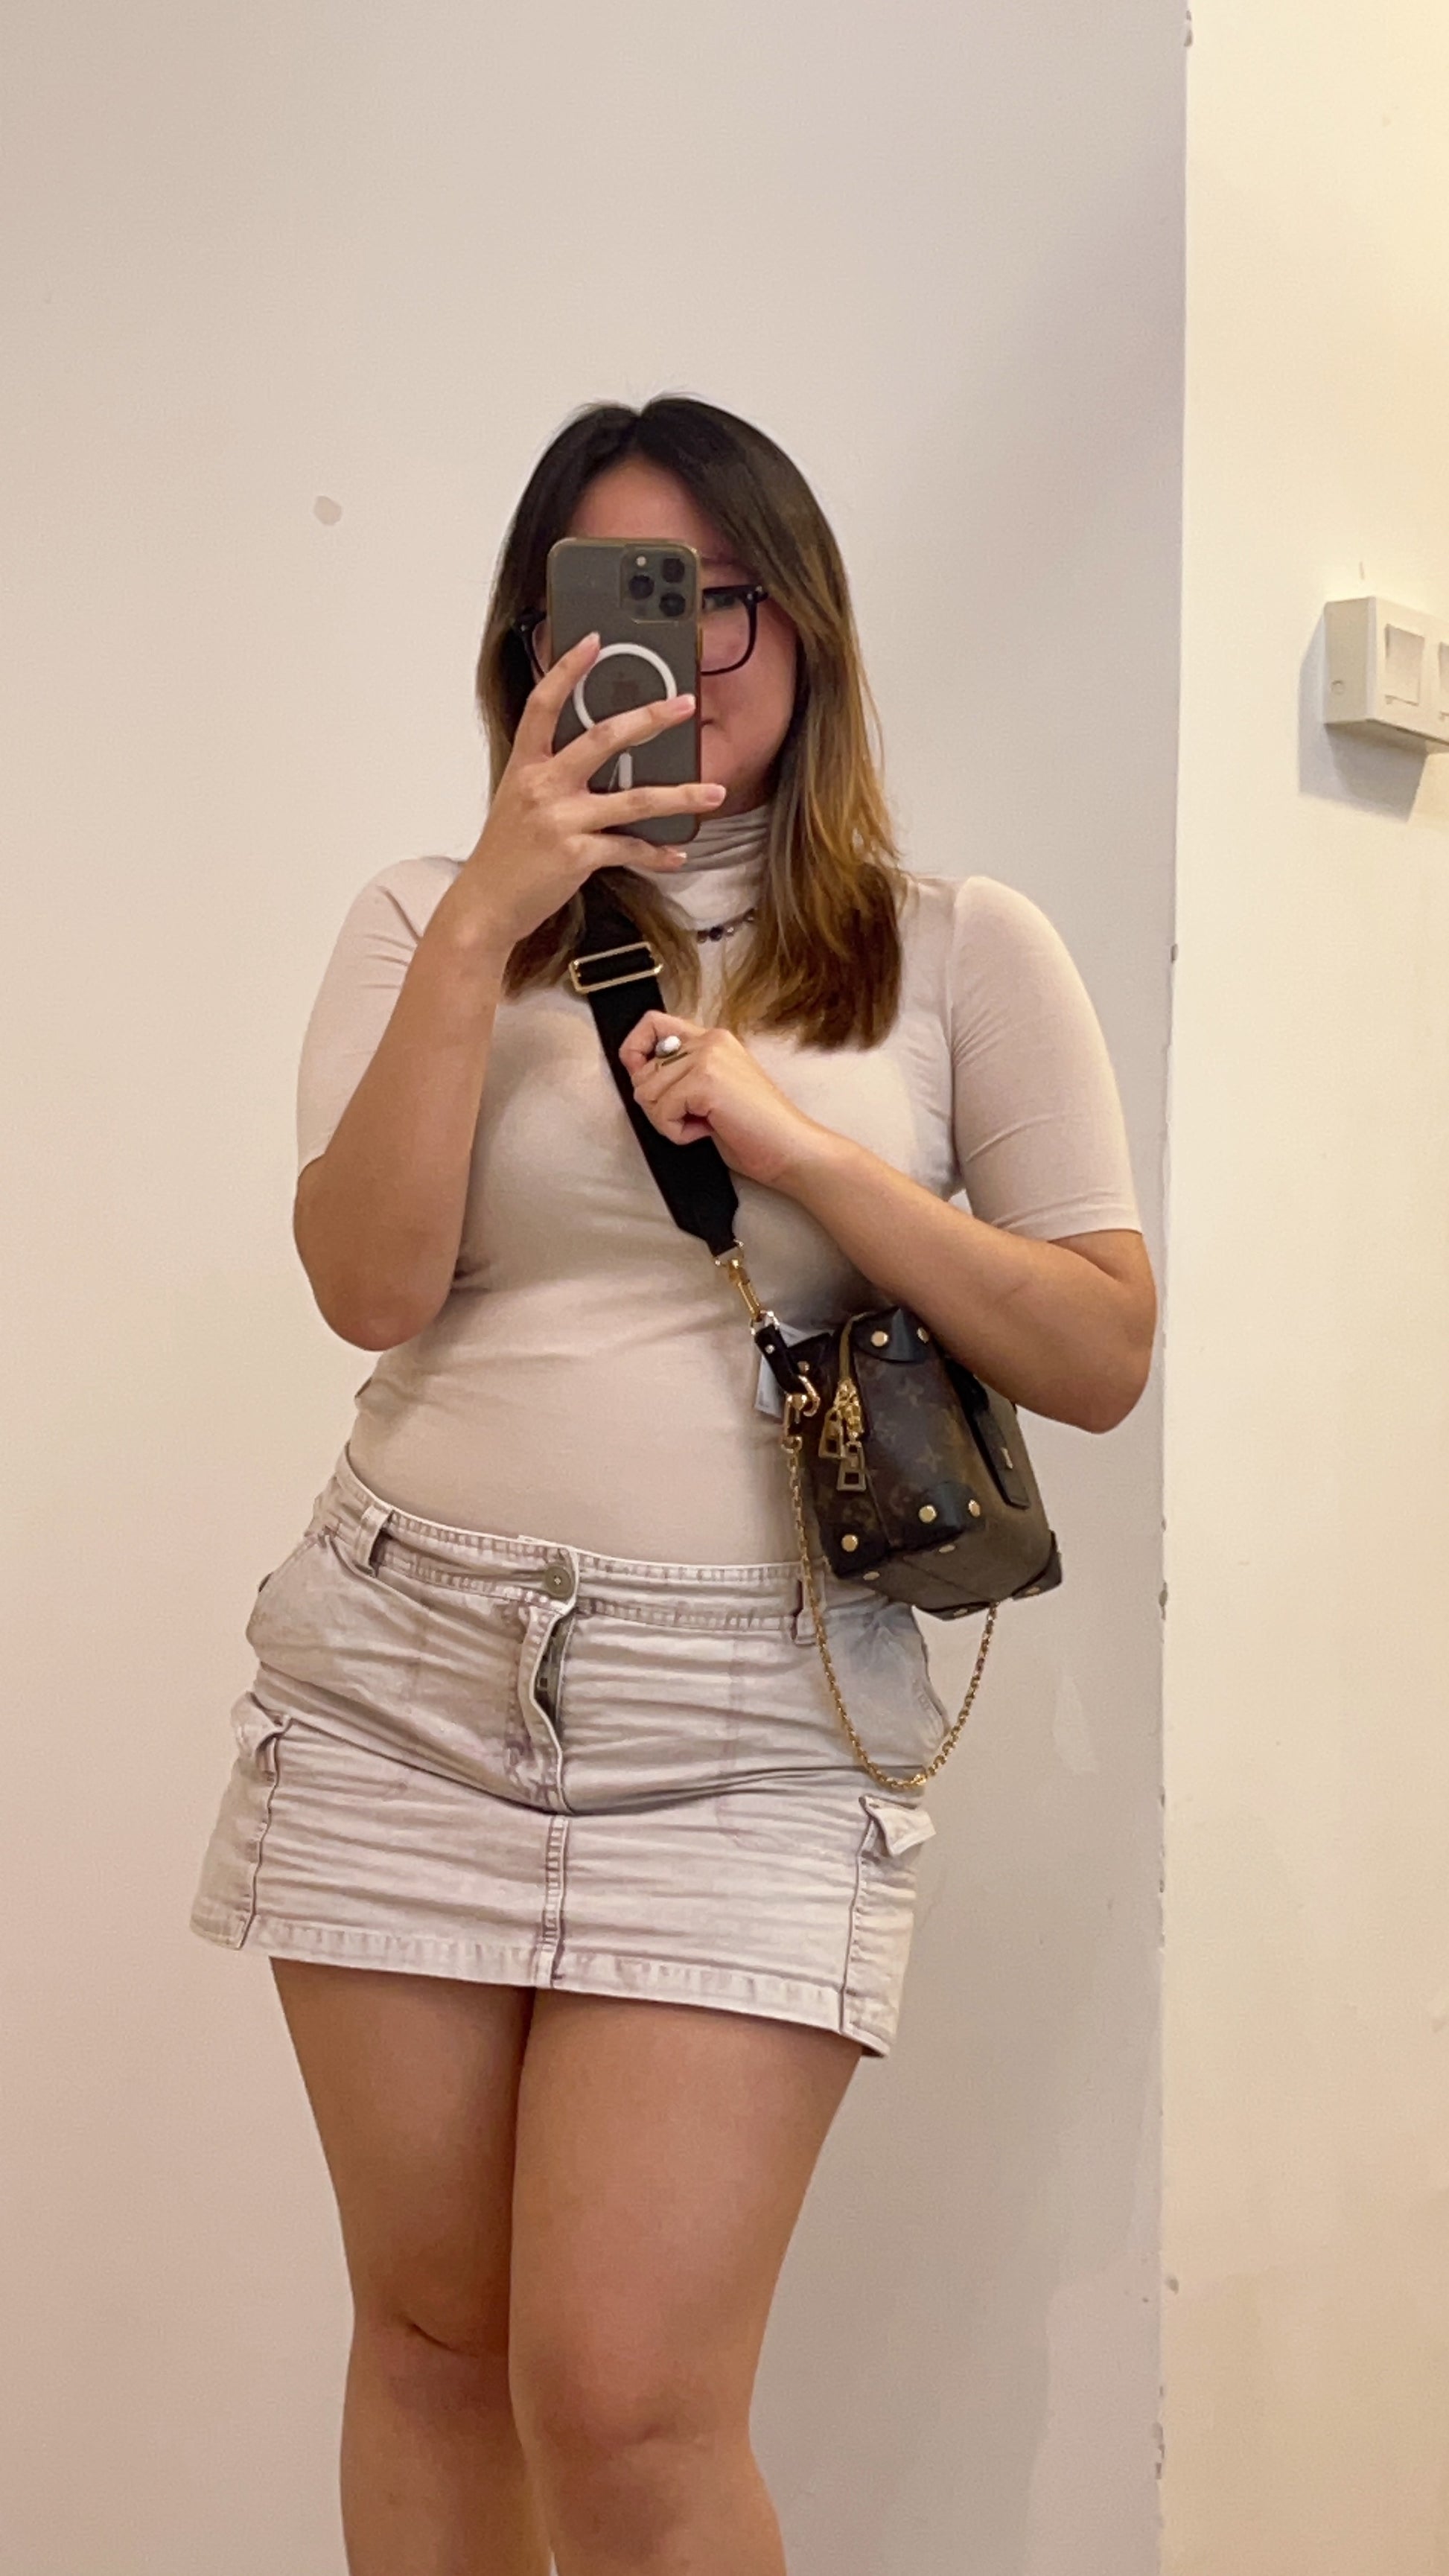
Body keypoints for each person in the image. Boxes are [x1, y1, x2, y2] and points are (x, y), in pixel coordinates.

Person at [190, 393, 1155, 2576]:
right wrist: (493, 913)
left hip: (753, 1721)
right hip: (403, 1669)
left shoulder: (950, 945)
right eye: (624, 602)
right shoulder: (426, 919)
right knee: (432, 2348)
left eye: (726, 599)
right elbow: (366, 1286)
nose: (681, 651)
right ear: (533, 643)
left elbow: (1098, 1348)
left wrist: (805, 1156)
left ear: (805, 626)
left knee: (627, 2408)